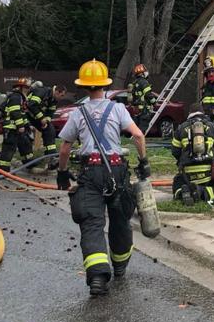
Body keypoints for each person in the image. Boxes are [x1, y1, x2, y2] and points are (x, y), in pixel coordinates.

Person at [57, 59, 150, 297]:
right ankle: (119, 266)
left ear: (84, 87)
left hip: (90, 173)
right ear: (104, 85)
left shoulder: (78, 113)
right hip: (117, 172)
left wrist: (62, 173)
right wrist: (143, 163)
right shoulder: (118, 109)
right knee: (120, 220)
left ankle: (98, 278)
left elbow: (65, 148)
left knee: (92, 223)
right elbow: (138, 136)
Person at [170, 111, 214, 206]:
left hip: (187, 174)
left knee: (178, 182)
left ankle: (181, 192)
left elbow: (175, 151)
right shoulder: (212, 126)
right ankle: (200, 192)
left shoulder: (181, 128)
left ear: (190, 113)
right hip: (208, 173)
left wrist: (184, 158)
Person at [0, 78, 35, 173]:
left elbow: (22, 114)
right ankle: (3, 169)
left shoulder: (21, 98)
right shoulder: (15, 97)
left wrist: (27, 125)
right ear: (20, 88)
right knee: (9, 148)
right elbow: (15, 112)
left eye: (28, 87)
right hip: (11, 128)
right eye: (26, 87)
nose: (28, 89)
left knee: (25, 145)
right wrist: (20, 126)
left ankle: (30, 164)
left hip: (17, 128)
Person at [25, 80, 57, 173]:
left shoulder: (53, 99)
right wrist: (41, 118)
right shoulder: (42, 92)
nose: (61, 98)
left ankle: (51, 156)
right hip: (24, 115)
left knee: (50, 129)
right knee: (26, 137)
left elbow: (51, 112)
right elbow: (32, 105)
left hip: (35, 117)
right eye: (62, 95)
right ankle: (28, 161)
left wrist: (46, 121)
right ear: (58, 91)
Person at [128, 64, 156, 134]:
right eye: (145, 72)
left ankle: (136, 143)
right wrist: (154, 102)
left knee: (137, 129)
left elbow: (134, 97)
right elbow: (148, 94)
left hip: (137, 110)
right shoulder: (144, 82)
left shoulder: (135, 83)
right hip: (144, 110)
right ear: (142, 73)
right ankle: (140, 143)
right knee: (142, 130)